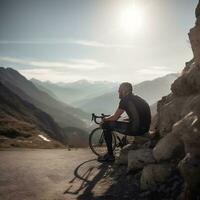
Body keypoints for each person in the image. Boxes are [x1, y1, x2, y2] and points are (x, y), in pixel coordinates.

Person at [98, 82, 151, 162]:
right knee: (123, 120)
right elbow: (139, 115)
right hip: (145, 128)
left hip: (136, 129)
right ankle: (123, 145)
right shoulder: (138, 98)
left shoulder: (125, 100)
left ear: (125, 91)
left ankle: (110, 155)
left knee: (106, 125)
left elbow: (115, 117)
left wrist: (104, 119)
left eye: (120, 90)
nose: (118, 92)